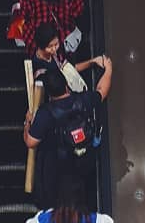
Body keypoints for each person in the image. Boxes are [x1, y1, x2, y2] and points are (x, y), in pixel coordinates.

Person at [25, 62, 111, 208]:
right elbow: (102, 91)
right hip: (81, 159)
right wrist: (108, 69)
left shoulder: (45, 113)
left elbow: (31, 143)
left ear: (49, 94)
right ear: (66, 85)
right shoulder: (83, 100)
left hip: (57, 164)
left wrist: (27, 123)